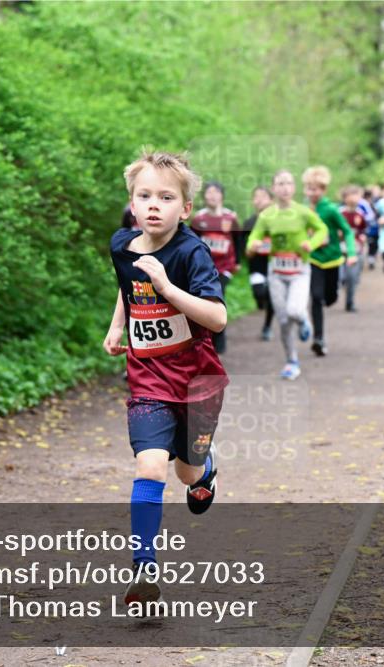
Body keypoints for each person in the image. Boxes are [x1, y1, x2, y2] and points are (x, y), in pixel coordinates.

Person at [103, 150, 228, 606]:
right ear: (132, 204)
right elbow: (127, 288)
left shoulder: (192, 253)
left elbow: (217, 317)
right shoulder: (122, 245)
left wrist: (169, 288)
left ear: (186, 208)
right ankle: (144, 567)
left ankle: (206, 471)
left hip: (198, 382)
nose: (154, 204)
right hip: (148, 377)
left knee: (185, 471)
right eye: (144, 195)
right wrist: (118, 326)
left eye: (166, 196)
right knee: (150, 464)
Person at [246, 170, 328, 380]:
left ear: (294, 188)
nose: (285, 188)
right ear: (274, 189)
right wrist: (252, 245)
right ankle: (292, 361)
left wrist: (311, 244)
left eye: (289, 183)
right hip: (276, 271)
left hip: (299, 270)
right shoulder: (267, 215)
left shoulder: (303, 212)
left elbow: (322, 230)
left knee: (294, 310)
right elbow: (254, 237)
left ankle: (304, 320)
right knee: (283, 320)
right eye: (280, 184)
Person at [304, 166, 355, 357]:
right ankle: (319, 338)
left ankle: (331, 297)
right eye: (309, 188)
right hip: (313, 260)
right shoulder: (303, 210)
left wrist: (351, 252)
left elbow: (348, 231)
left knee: (330, 298)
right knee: (316, 298)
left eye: (315, 188)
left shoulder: (331, 210)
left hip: (333, 260)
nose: (312, 192)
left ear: (323, 190)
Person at [190, 181, 238, 354]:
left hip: (224, 267)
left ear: (222, 196)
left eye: (216, 192)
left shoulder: (230, 218)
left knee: (218, 300)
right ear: (204, 196)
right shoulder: (199, 219)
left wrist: (237, 262)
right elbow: (191, 243)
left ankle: (220, 343)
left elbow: (238, 241)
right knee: (204, 303)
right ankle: (205, 341)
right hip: (205, 269)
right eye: (209, 192)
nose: (212, 195)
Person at [243, 186, 275, 341]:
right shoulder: (249, 222)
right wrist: (251, 250)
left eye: (263, 196)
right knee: (260, 293)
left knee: (272, 296)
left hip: (275, 266)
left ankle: (267, 326)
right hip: (257, 266)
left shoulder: (278, 221)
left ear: (271, 200)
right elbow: (244, 249)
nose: (259, 199)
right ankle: (260, 303)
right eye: (256, 196)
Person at [339, 185, 368, 312]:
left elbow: (363, 230)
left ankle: (350, 302)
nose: (354, 198)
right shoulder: (340, 213)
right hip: (340, 249)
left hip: (355, 250)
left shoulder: (360, 214)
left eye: (356, 195)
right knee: (341, 277)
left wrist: (362, 237)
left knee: (352, 277)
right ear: (345, 198)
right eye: (351, 195)